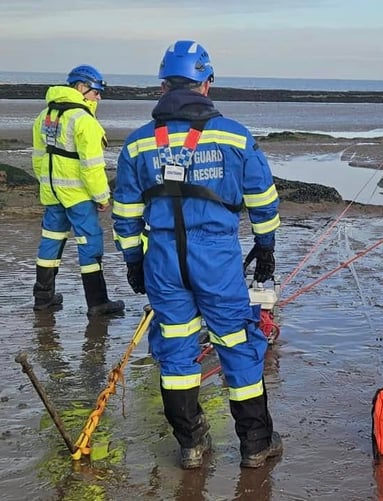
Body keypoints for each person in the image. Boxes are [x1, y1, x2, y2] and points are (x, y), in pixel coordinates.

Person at [112, 40, 282, 470]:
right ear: (206, 83)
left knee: (175, 347)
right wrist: (265, 248)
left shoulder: (136, 145)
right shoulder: (234, 135)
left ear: (164, 86)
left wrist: (134, 260)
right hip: (216, 257)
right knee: (237, 342)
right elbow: (262, 198)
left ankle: (191, 445)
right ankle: (256, 444)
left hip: (163, 259)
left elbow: (126, 213)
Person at [31, 65, 125, 316]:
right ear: (81, 88)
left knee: (51, 240)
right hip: (78, 195)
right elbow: (92, 166)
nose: (99, 97)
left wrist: (46, 186)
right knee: (90, 242)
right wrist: (102, 197)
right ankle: (97, 302)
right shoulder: (85, 121)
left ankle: (43, 297)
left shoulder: (45, 116)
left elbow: (38, 158)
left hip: (52, 192)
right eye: (96, 92)